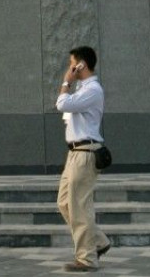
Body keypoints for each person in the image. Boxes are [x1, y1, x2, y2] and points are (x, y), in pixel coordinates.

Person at [55, 46, 111, 272]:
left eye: (72, 64)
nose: (70, 68)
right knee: (64, 202)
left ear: (81, 65)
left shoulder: (93, 90)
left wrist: (66, 82)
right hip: (74, 153)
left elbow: (62, 104)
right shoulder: (82, 90)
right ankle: (98, 241)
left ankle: (87, 258)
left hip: (85, 153)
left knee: (79, 207)